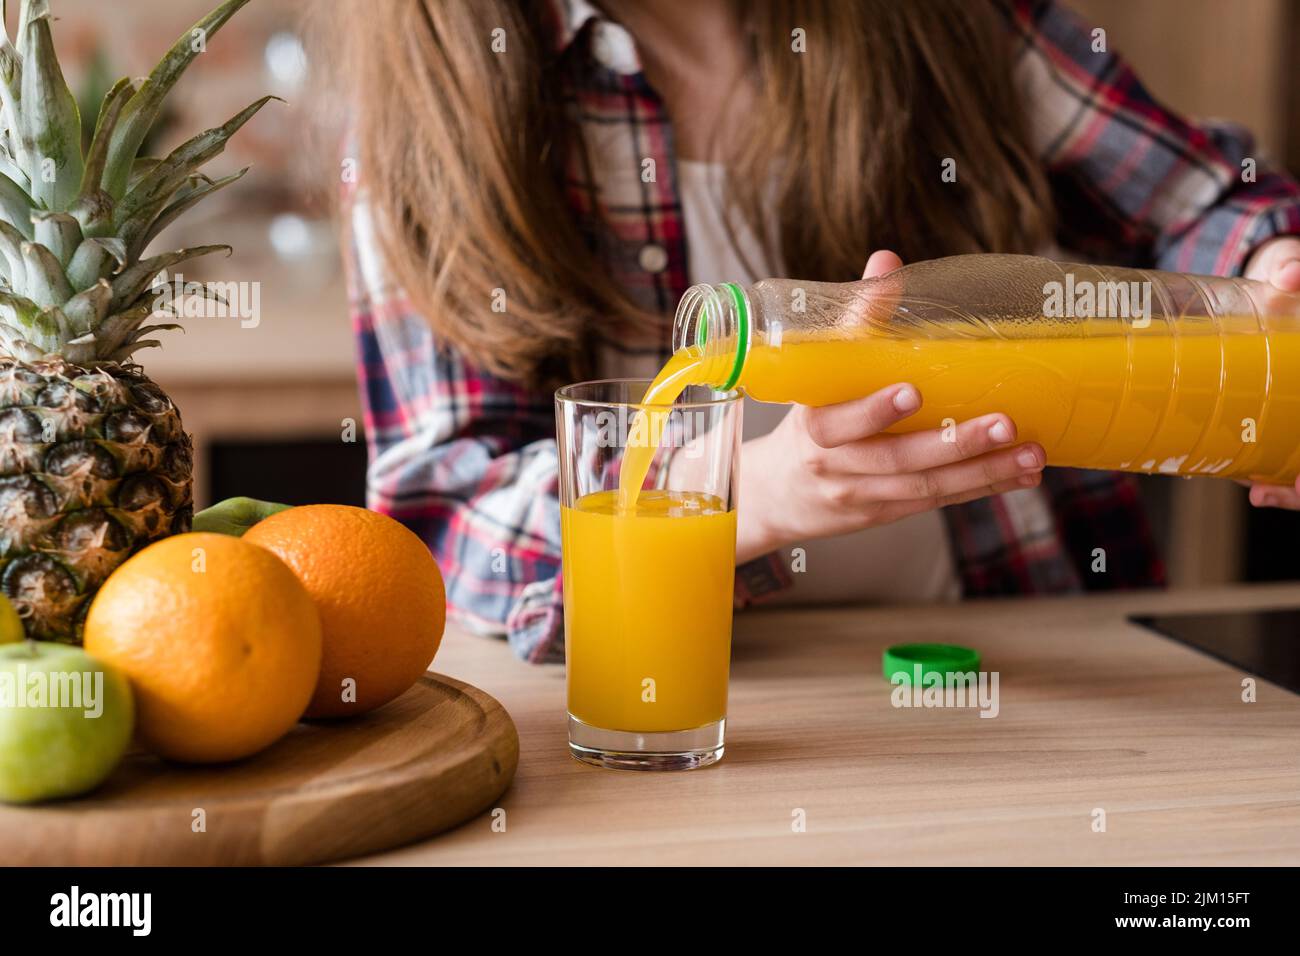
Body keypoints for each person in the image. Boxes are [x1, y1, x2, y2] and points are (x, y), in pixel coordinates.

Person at [325, 0, 1300, 662]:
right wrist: (746, 496)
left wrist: (1270, 269)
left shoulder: (949, 22)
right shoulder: (442, 117)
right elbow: (440, 518)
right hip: (726, 702)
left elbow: (1200, 197)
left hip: (1031, 655)